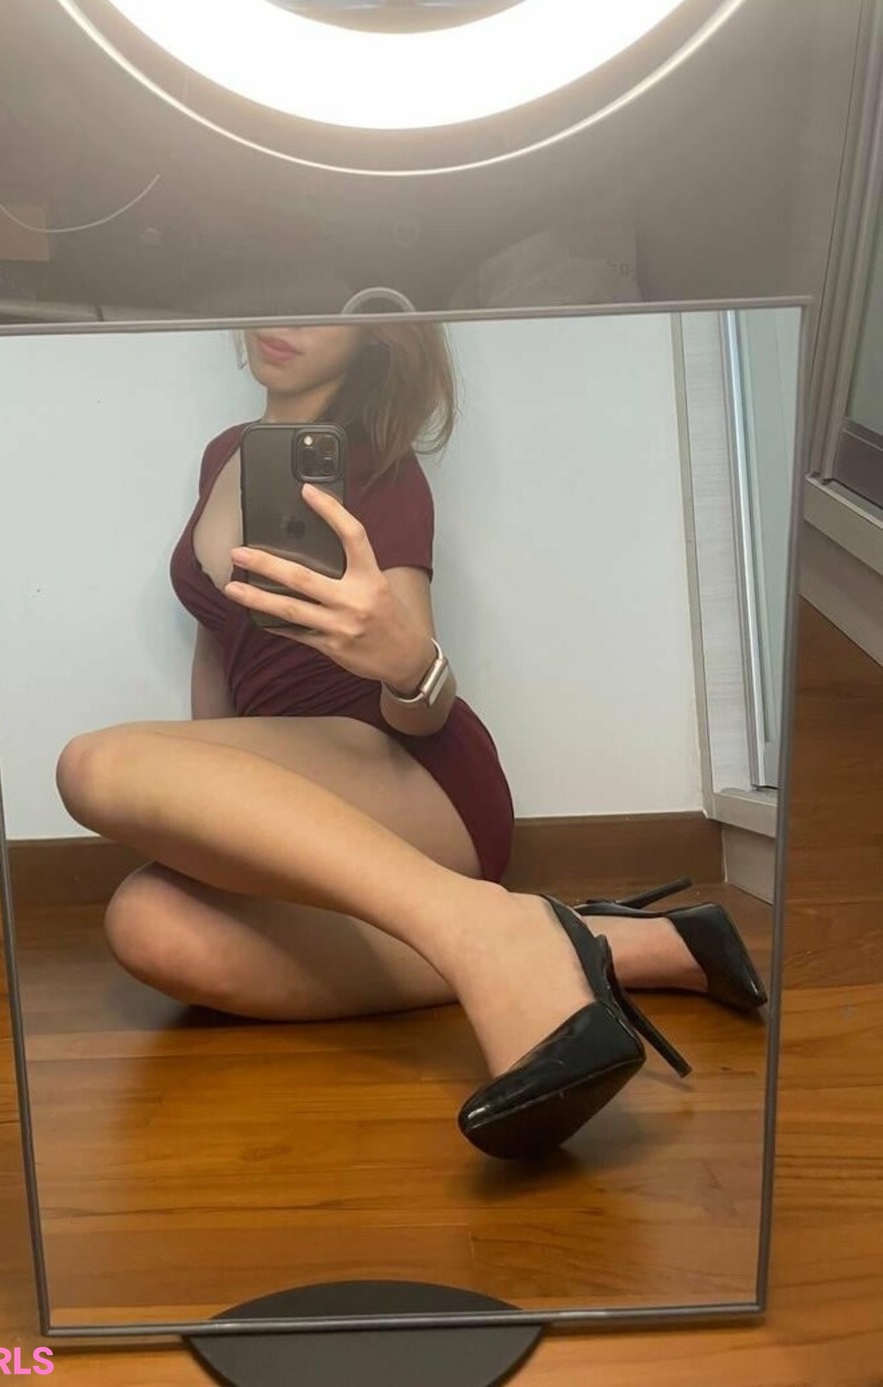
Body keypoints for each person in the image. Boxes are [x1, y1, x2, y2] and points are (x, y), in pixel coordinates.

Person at [56, 323, 766, 1160]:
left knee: (91, 765)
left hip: (412, 771)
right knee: (147, 924)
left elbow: (419, 706)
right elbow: (218, 650)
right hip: (305, 784)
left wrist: (405, 661)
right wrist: (205, 812)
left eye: (324, 304)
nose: (287, 320)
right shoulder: (223, 455)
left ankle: (487, 935)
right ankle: (621, 941)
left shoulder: (378, 465)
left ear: (375, 332)